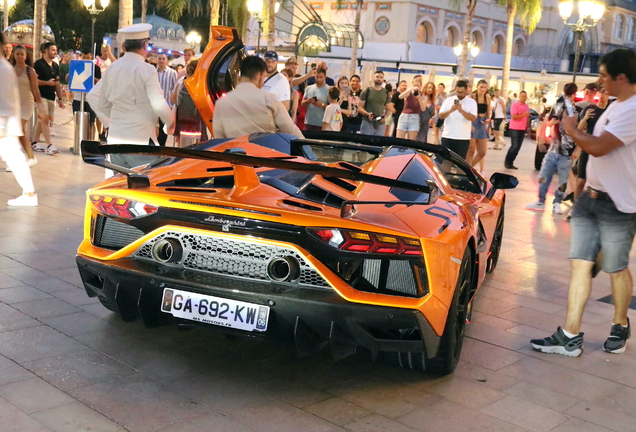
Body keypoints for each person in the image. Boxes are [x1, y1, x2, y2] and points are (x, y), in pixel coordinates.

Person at [531, 48, 636, 358]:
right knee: (580, 265)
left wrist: (572, 129)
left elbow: (601, 147)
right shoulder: (617, 106)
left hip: (619, 205)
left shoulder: (633, 111)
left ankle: (619, 324)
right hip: (590, 198)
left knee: (616, 268)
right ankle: (569, 335)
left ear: (621, 77)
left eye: (603, 75)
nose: (599, 80)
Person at [88, 23, 174, 172]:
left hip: (115, 139)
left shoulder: (112, 69)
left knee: (122, 184)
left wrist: (118, 120)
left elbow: (101, 104)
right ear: (145, 44)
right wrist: (170, 122)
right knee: (145, 186)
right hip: (140, 140)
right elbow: (158, 103)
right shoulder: (147, 69)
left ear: (124, 46)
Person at [213, 56, 303, 138]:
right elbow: (290, 130)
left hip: (234, 154)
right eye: (263, 77)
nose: (263, 83)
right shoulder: (269, 99)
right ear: (258, 75)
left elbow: (218, 138)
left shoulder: (221, 103)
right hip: (264, 153)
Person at [526, 84, 577, 214]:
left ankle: (556, 203)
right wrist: (551, 124)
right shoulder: (560, 106)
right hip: (556, 148)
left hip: (565, 150)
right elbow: (549, 121)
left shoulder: (572, 109)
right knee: (546, 175)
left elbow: (572, 126)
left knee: (560, 179)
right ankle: (542, 201)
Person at [0, 35, 38, 206]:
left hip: (5, 123)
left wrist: (2, 125)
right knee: (13, 156)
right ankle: (29, 194)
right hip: (6, 122)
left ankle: (30, 194)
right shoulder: (5, 67)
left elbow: (5, 100)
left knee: (14, 156)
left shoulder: (3, 68)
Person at [9, 44, 43, 167]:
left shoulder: (30, 71)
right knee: (20, 132)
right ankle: (30, 157)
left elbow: (35, 89)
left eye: (22, 54)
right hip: (14, 104)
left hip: (26, 104)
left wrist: (40, 106)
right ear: (14, 55)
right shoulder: (10, 69)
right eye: (17, 54)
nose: (19, 56)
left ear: (25, 56)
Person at [574, 90, 613, 199]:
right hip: (588, 148)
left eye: (605, 93)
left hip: (603, 151)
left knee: (601, 183)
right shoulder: (590, 109)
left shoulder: (610, 111)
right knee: (581, 180)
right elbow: (579, 129)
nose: (602, 95)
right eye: (601, 93)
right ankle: (576, 206)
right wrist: (585, 118)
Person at [32, 42, 65, 155]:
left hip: (51, 97)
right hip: (41, 96)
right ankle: (49, 145)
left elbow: (57, 83)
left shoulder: (55, 66)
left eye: (56, 50)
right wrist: (46, 83)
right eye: (52, 50)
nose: (55, 52)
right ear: (46, 50)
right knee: (44, 120)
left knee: (41, 121)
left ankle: (34, 142)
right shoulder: (38, 64)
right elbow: (34, 81)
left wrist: (60, 98)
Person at [171, 59, 207, 146]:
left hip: (182, 122)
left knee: (182, 149)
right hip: (198, 123)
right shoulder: (202, 86)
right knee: (199, 149)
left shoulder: (181, 83)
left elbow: (173, 100)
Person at [438, 80, 477, 159]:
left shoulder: (471, 102)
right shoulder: (448, 100)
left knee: (459, 163)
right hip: (448, 136)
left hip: (463, 138)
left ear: (466, 91)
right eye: (458, 92)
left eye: (462, 92)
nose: (460, 94)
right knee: (445, 161)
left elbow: (473, 118)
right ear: (455, 90)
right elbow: (441, 116)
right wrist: (450, 110)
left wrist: (461, 111)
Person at [467, 79, 492, 170]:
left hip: (482, 124)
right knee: (471, 151)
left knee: (482, 152)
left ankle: (469, 169)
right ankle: (468, 170)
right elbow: (468, 111)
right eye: (481, 87)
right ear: (477, 87)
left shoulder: (487, 98)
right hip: (473, 122)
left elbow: (488, 113)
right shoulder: (472, 97)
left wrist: (487, 120)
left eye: (485, 87)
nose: (483, 89)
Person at [358, 71, 391, 136]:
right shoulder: (366, 91)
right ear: (373, 78)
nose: (379, 79)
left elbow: (389, 109)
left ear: (383, 79)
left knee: (378, 144)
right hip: (367, 122)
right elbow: (359, 108)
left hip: (380, 124)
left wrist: (385, 117)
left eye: (381, 77)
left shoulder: (386, 93)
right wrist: (367, 114)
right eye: (377, 77)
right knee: (365, 143)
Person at [155, 53, 178, 146]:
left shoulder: (172, 73)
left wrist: (172, 104)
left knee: (163, 129)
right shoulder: (153, 72)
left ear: (166, 61)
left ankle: (161, 148)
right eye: (159, 58)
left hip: (167, 105)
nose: (161, 61)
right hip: (154, 105)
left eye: (163, 59)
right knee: (154, 128)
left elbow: (175, 88)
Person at [504, 90, 530, 169]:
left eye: (525, 96)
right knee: (514, 146)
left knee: (518, 147)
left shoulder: (526, 106)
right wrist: (523, 114)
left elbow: (527, 117)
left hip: (522, 128)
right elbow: (514, 117)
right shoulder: (515, 105)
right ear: (519, 97)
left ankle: (511, 162)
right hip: (514, 128)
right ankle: (507, 161)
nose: (524, 98)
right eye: (522, 96)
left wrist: (527, 127)